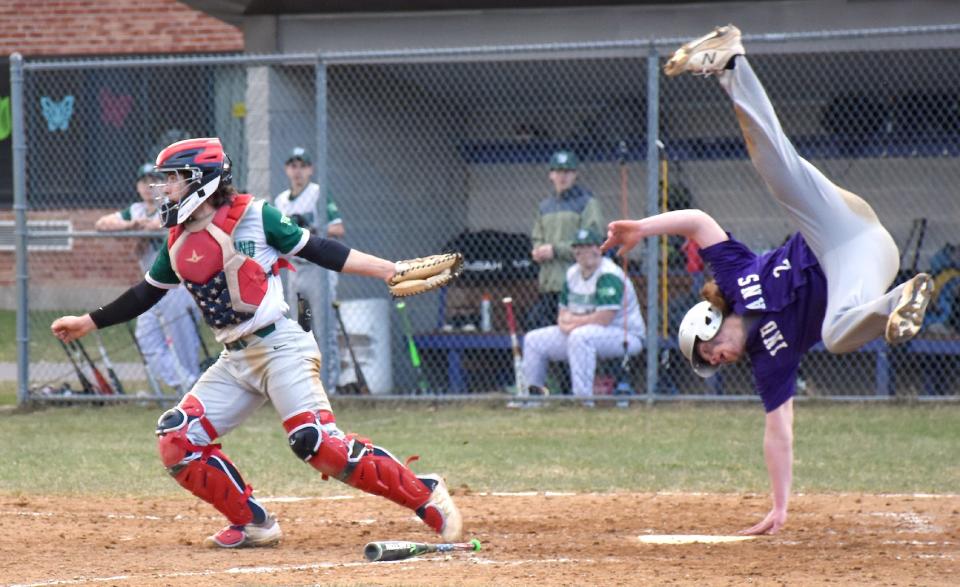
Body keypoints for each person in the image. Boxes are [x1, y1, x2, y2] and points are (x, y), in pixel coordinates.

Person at [603, 26, 934, 536]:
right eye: (705, 363)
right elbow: (779, 431)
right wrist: (779, 507)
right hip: (865, 271)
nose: (713, 361)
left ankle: (730, 65)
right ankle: (900, 302)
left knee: (775, 170)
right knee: (835, 333)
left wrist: (640, 229)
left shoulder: (733, 277)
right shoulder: (768, 361)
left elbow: (695, 222)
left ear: (710, 320)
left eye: (704, 351)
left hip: (834, 228)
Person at [53, 138, 462, 548]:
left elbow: (319, 249)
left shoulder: (254, 214)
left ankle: (423, 492)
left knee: (316, 444)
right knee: (178, 439)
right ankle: (254, 524)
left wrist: (389, 270)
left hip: (282, 346)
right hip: (235, 359)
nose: (166, 189)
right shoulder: (177, 241)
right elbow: (146, 293)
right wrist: (88, 322)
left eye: (175, 179)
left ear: (203, 182)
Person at [94, 163, 201, 393]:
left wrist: (152, 227)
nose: (147, 186)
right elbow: (102, 224)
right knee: (147, 339)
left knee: (184, 345)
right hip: (150, 287)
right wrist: (132, 225)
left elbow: (174, 222)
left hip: (176, 286)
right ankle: (187, 386)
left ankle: (194, 393)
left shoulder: (174, 203)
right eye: (143, 181)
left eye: (153, 179)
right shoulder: (135, 211)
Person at [523, 229, 644, 403]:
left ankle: (583, 401)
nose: (585, 252)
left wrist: (572, 324)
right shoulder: (572, 273)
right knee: (533, 340)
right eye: (580, 248)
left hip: (623, 334)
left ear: (599, 249)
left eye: (590, 247)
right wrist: (567, 325)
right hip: (580, 332)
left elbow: (604, 318)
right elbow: (562, 313)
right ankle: (532, 398)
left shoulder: (609, 274)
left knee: (581, 337)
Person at [274, 147, 344, 389]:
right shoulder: (281, 200)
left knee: (324, 330)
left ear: (310, 169)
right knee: (301, 330)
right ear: (287, 169)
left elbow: (338, 229)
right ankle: (306, 385)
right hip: (295, 270)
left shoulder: (317, 194)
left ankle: (330, 386)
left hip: (319, 270)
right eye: (293, 165)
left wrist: (312, 228)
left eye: (302, 165)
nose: (298, 171)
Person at [528, 150, 604, 329]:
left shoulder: (586, 203)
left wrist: (555, 250)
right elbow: (537, 237)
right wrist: (538, 250)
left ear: (575, 174)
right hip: (548, 284)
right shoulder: (544, 206)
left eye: (568, 172)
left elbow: (592, 243)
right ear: (551, 175)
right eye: (558, 171)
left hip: (576, 285)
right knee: (540, 330)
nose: (563, 176)